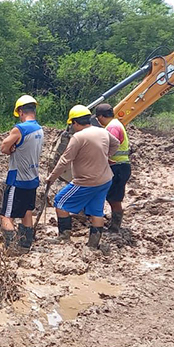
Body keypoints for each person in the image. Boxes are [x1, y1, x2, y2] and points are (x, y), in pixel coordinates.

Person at [47, 105, 121, 250]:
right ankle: (93, 245)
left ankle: (64, 236)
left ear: (75, 122)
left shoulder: (78, 137)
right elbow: (116, 144)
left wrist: (52, 177)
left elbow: (64, 160)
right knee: (96, 211)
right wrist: (105, 156)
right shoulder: (102, 132)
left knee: (60, 201)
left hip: (86, 181)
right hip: (105, 179)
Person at [0, 95, 44, 252]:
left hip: (17, 180)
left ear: (20, 111)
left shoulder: (20, 129)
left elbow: (4, 147)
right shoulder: (39, 129)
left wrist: (11, 149)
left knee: (6, 215)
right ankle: (26, 245)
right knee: (26, 212)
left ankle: (10, 248)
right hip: (32, 178)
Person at [94, 103, 131, 232]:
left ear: (101, 116)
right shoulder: (115, 124)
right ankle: (114, 224)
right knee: (112, 197)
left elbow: (110, 145)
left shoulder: (112, 128)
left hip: (118, 166)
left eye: (98, 118)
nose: (98, 121)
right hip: (121, 166)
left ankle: (115, 227)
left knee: (114, 198)